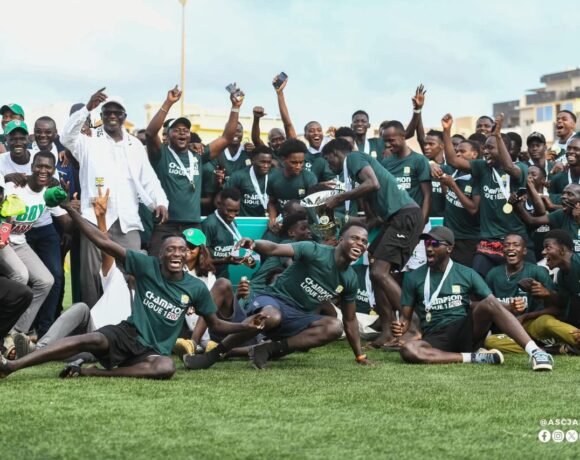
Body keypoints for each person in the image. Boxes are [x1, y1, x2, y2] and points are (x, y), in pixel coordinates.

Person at [0, 198, 267, 380]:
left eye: (182, 250)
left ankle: (92, 372)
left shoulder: (195, 287)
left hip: (153, 351)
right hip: (127, 334)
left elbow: (216, 325)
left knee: (166, 367)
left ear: (188, 255)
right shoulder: (146, 265)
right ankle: (12, 366)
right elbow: (104, 243)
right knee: (90, 339)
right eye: (170, 249)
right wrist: (71, 210)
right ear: (160, 254)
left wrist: (245, 326)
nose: (177, 253)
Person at [183, 221, 373, 370]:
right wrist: (255, 244)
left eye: (364, 241)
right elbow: (274, 248)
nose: (360, 243)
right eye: (354, 238)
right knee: (272, 315)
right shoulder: (315, 250)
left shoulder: (349, 279)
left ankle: (267, 349)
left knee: (334, 326)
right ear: (340, 240)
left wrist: (360, 355)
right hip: (274, 300)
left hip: (297, 318)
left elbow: (350, 320)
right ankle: (213, 355)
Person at [60, 87, 169, 307]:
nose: (112, 116)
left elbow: (148, 178)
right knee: (93, 276)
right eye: (107, 112)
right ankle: (92, 322)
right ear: (100, 116)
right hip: (94, 218)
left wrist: (160, 202)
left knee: (132, 273)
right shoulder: (89, 140)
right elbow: (66, 136)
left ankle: (128, 321)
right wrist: (87, 108)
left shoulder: (135, 145)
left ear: (124, 116)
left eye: (116, 112)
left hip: (127, 221)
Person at [391, 227, 554, 371]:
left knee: (488, 303)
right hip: (435, 336)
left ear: (449, 248)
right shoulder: (414, 277)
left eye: (434, 244)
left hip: (465, 330)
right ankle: (475, 358)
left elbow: (493, 304)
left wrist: (510, 307)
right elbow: (405, 319)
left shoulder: (467, 273)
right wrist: (400, 327)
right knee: (409, 350)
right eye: (426, 243)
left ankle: (536, 352)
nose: (429, 248)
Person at [322, 138, 422, 348]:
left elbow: (372, 183)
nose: (329, 166)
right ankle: (387, 331)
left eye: (328, 160)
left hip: (405, 216)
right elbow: (372, 219)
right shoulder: (355, 177)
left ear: (336, 153)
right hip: (394, 219)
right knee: (374, 267)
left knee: (379, 272)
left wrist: (338, 199)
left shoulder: (354, 158)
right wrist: (337, 224)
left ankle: (412, 325)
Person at [145, 86, 243, 256]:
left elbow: (226, 138)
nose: (182, 133)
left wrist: (235, 107)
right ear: (168, 135)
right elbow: (150, 133)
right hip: (166, 225)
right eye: (176, 130)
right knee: (157, 264)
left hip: (193, 224)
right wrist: (168, 102)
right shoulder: (161, 154)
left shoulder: (197, 154)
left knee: (199, 265)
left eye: (185, 130)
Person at [442, 113, 529, 278]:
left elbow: (509, 168)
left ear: (504, 149)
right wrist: (446, 131)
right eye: (485, 148)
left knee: (522, 281)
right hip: (488, 240)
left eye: (491, 148)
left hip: (514, 238)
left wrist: (497, 135)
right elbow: (453, 161)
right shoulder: (482, 168)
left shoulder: (521, 168)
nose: (486, 152)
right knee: (477, 278)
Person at [0, 151, 73, 339]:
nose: (43, 170)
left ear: (54, 170)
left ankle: (17, 331)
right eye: (39, 166)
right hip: (4, 240)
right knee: (21, 276)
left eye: (48, 167)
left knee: (46, 281)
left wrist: (67, 205)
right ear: (32, 167)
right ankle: (4, 327)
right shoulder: (15, 186)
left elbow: (67, 224)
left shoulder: (49, 194)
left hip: (20, 241)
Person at [483, 234, 579, 354]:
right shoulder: (493, 274)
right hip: (509, 329)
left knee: (547, 322)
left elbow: (557, 308)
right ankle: (553, 349)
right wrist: (508, 307)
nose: (511, 248)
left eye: (516, 245)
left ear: (524, 251)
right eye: (507, 245)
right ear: (503, 250)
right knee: (490, 341)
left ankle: (576, 340)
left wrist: (546, 295)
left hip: (534, 323)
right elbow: (485, 305)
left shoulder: (538, 271)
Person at [437, 134, 480, 267]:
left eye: (462, 151)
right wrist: (433, 166)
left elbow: (473, 209)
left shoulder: (478, 176)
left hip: (468, 238)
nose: (458, 154)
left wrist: (453, 186)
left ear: (474, 154)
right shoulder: (452, 170)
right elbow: (434, 166)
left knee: (465, 273)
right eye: (456, 151)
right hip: (449, 237)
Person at [380, 121, 431, 227]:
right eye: (385, 141)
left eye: (391, 140)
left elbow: (427, 195)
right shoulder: (385, 163)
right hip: (395, 222)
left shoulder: (419, 160)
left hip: (415, 221)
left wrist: (420, 223)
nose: (387, 144)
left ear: (403, 136)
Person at [201, 187, 254, 279]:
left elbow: (228, 253)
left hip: (223, 274)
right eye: (229, 210)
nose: (232, 215)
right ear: (219, 205)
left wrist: (244, 258)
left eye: (236, 211)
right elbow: (204, 261)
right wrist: (224, 261)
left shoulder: (233, 223)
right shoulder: (209, 225)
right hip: (208, 275)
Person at [515, 183, 580, 255]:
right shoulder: (561, 214)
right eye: (563, 193)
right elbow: (531, 220)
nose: (564, 196)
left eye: (570, 194)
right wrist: (518, 205)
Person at [266, 139, 318, 224]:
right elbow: (272, 202)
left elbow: (314, 207)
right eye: (294, 163)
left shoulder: (309, 178)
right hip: (282, 223)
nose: (298, 166)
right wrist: (272, 219)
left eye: (301, 162)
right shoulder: (273, 178)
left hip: (304, 223)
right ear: (283, 159)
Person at [538, 230, 580, 328]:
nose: (543, 252)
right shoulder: (561, 275)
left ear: (562, 250)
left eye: (548, 247)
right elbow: (563, 305)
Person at [225, 145, 273, 217]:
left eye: (268, 162)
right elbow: (224, 199)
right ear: (252, 160)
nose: (266, 166)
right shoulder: (238, 176)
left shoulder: (274, 176)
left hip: (267, 220)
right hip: (243, 220)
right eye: (262, 162)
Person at [549, 137, 580, 205]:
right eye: (568, 148)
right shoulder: (557, 178)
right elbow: (549, 203)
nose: (571, 151)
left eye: (576, 149)